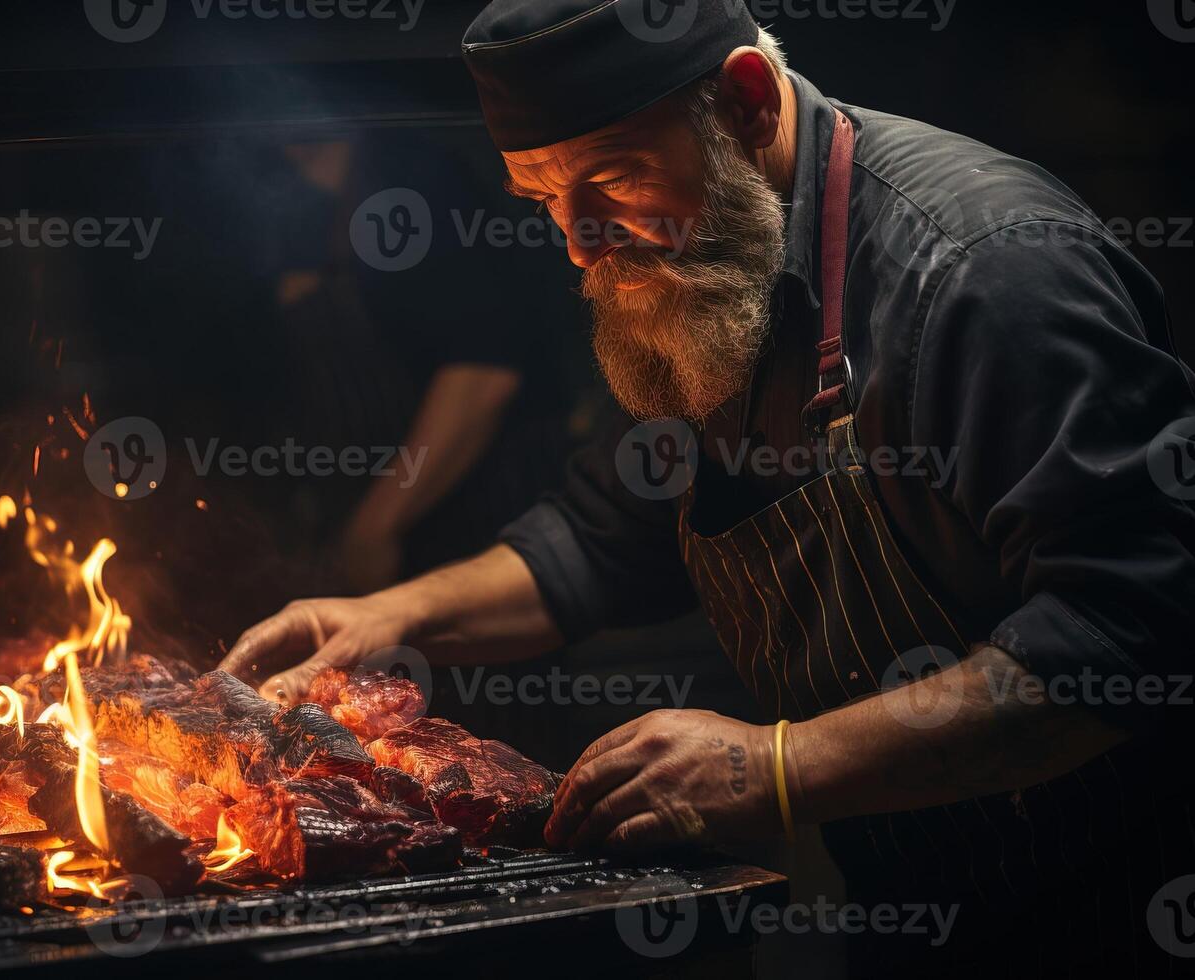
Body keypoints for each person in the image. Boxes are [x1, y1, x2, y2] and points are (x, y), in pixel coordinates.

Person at [221, 1, 1195, 971]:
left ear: (746, 102)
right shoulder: (705, 264)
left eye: (614, 179)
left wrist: (776, 764)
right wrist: (387, 614)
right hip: (930, 898)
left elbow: (1131, 630)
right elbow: (603, 534)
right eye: (543, 202)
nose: (579, 243)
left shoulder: (987, 273)